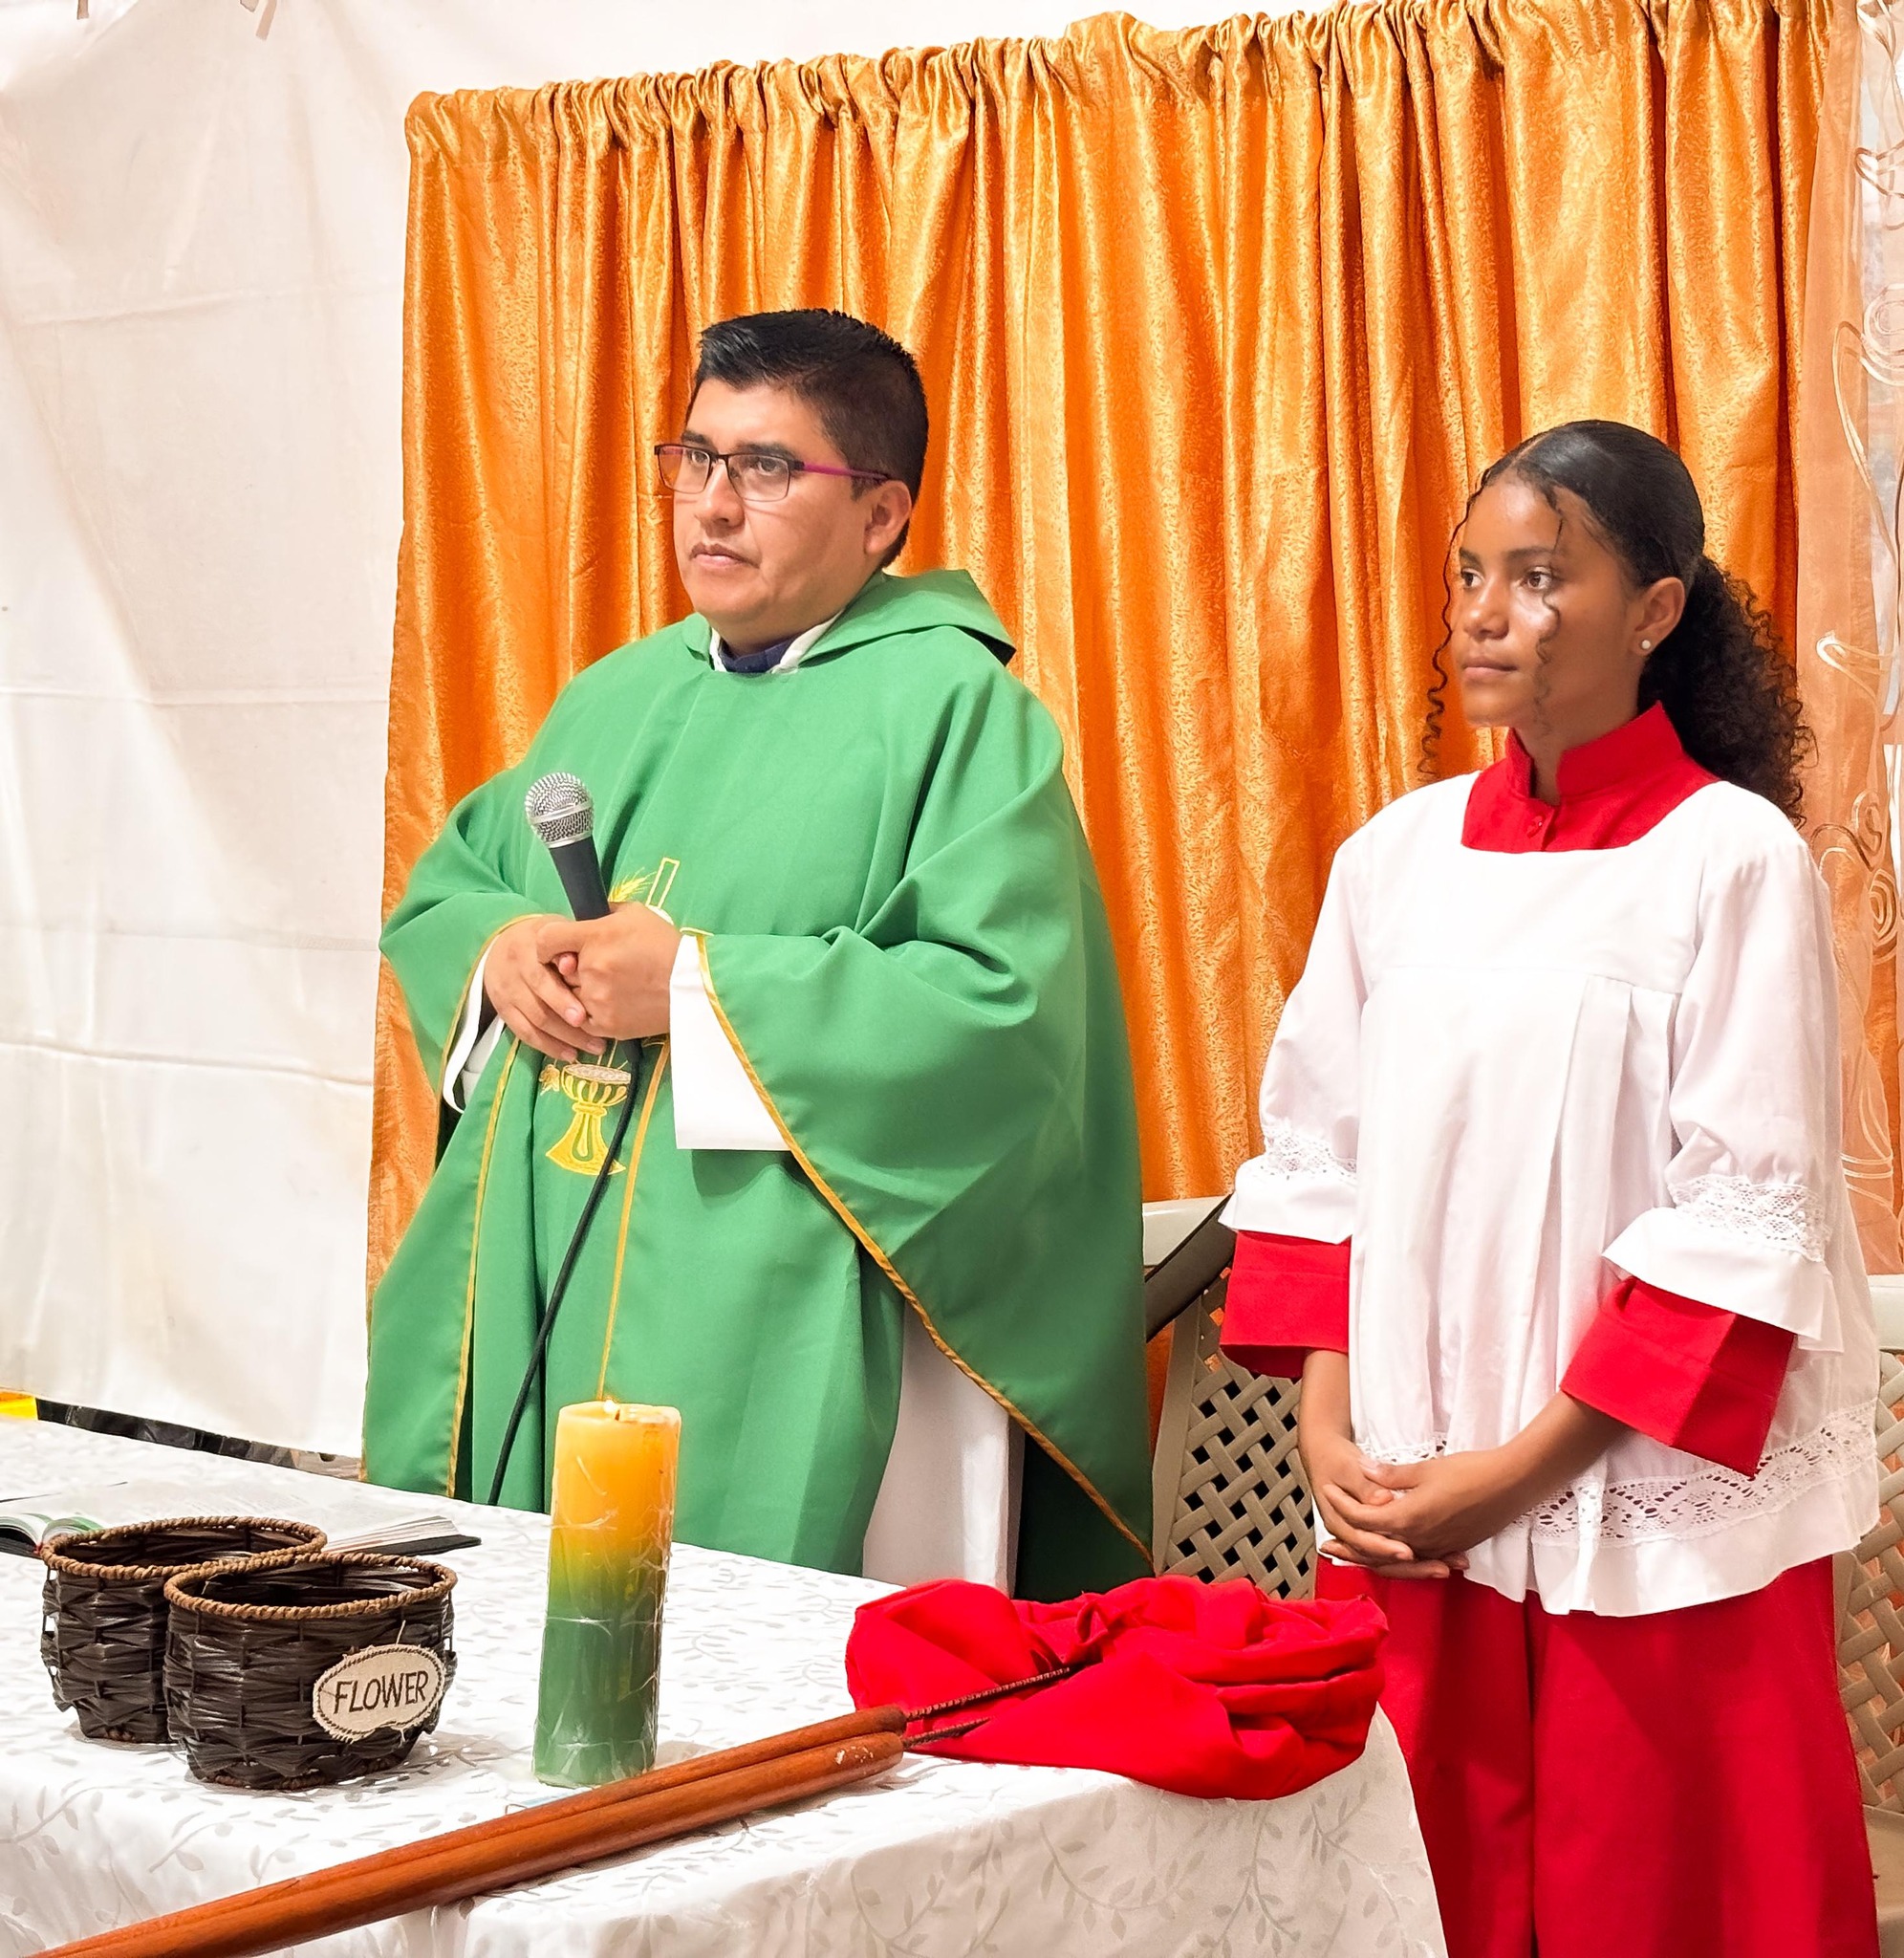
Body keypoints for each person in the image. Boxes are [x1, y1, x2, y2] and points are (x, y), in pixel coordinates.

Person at [365, 309, 1151, 1600]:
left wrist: (694, 989)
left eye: (770, 467)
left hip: (777, 1301)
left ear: (882, 515)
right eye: (696, 457)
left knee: (734, 1660)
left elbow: (999, 1017)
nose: (714, 505)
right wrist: (500, 951)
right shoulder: (620, 692)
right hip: (552, 1251)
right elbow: (456, 884)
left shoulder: (955, 711)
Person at [1220, 421, 1879, 1957]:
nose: (1484, 615)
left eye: (1537, 577)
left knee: (1656, 1900)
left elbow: (1744, 1222)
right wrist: (1332, 1430)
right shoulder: (1392, 862)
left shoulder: (1731, 862)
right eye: (1471, 576)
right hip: (1409, 1509)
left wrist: (1519, 1472)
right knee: (1415, 1897)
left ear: (1654, 610)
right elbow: (1318, 1162)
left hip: (1634, 1531)